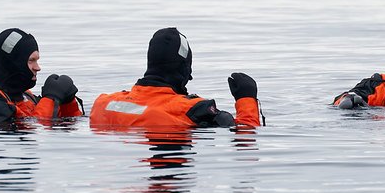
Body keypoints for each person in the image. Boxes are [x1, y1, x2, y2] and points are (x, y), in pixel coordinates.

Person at [89, 27, 263, 132]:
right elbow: (246, 134)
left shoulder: (103, 102)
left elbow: (69, 123)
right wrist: (246, 99)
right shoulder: (193, 109)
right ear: (185, 69)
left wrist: (67, 104)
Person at [0, 27, 84, 126]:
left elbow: (64, 123)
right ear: (14, 64)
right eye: (31, 61)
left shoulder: (27, 96)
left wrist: (67, 101)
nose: (38, 67)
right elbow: (36, 127)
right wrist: (51, 99)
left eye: (37, 60)